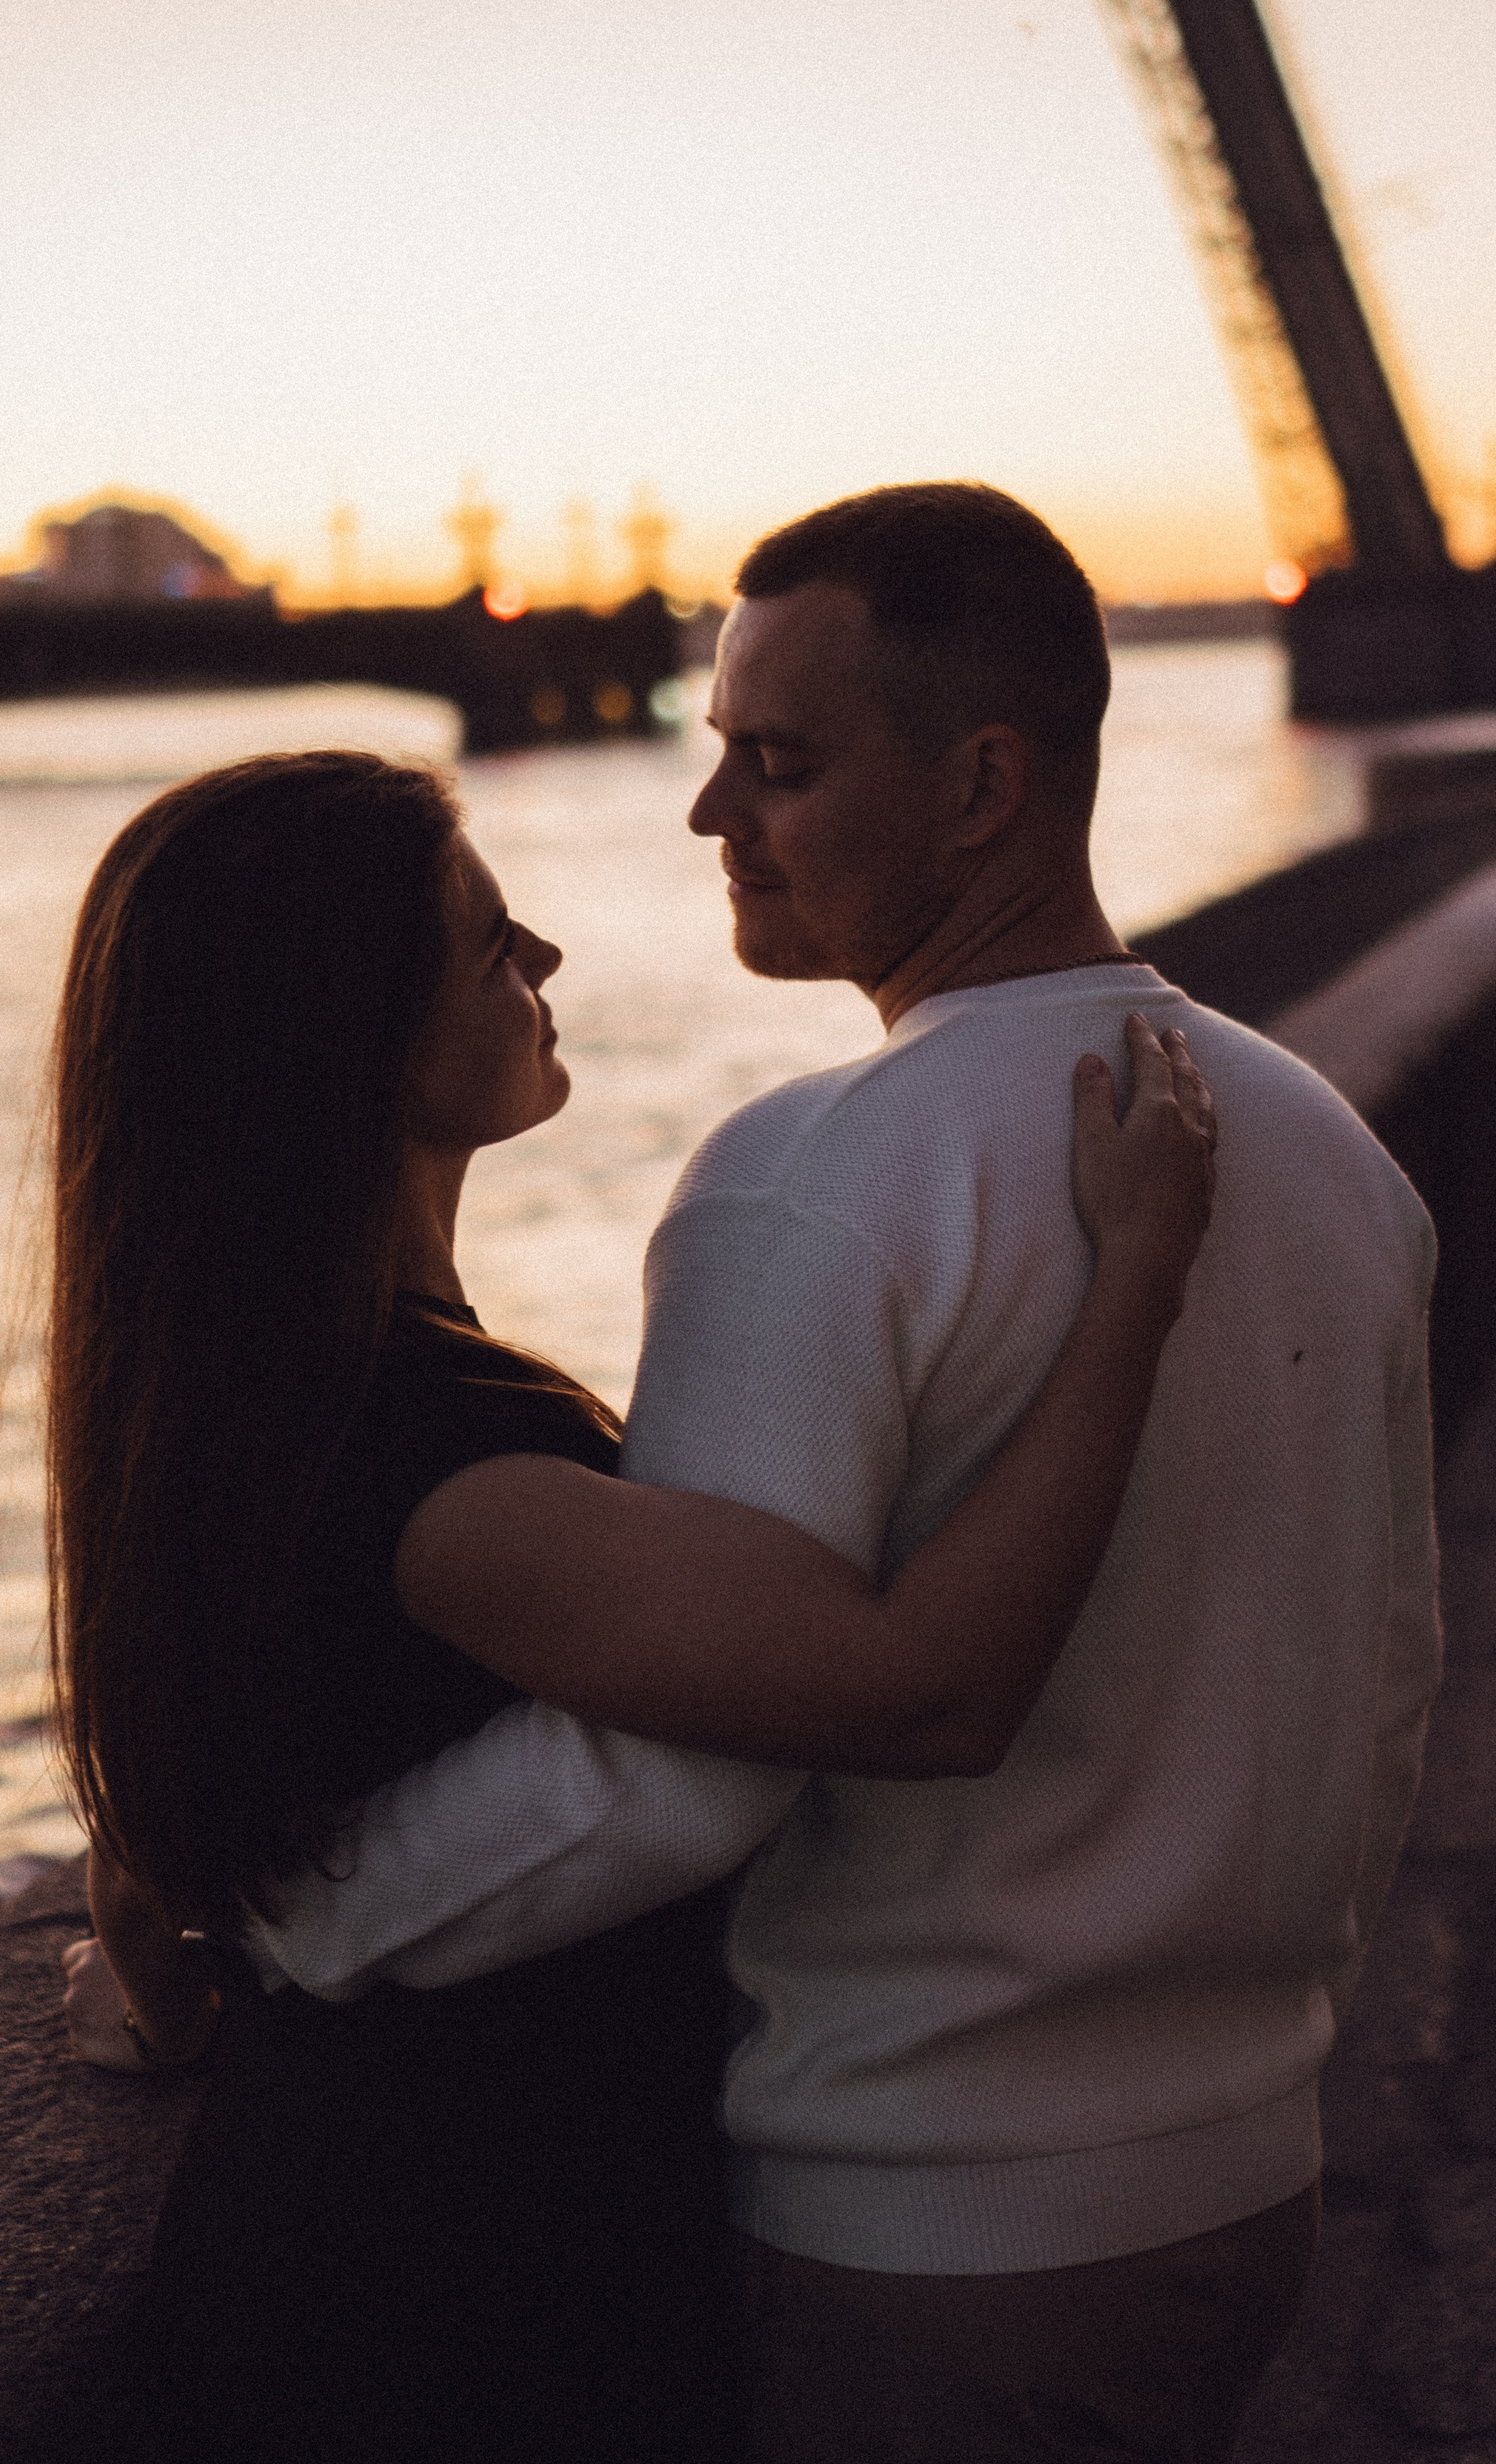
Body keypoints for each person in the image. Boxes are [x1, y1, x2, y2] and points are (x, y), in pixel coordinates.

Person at [246, 482, 1442, 2464]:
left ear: (983, 784)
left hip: (934, 2229)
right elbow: (1385, 1671)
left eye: (777, 765)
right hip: (1243, 2185)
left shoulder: (810, 1180)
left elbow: (686, 1761)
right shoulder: (1322, 1145)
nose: (715, 817)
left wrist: (288, 1915)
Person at [46, 745, 1217, 2464]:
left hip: (350, 2264)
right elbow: (923, 1694)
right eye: (483, 938)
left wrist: (165, 1983)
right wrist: (1136, 1287)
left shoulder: (240, 1411)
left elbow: (172, 1847)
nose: (546, 963)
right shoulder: (439, 1464)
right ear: (344, 1031)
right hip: (465, 2306)